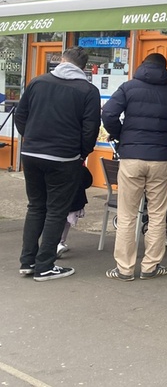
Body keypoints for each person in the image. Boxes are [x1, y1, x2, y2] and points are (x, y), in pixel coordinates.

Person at [102, 53, 167, 281]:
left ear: (143, 66)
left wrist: (121, 134)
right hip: (161, 159)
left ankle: (124, 268)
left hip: (131, 157)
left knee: (127, 215)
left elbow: (109, 113)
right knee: (157, 214)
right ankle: (150, 267)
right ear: (165, 68)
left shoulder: (128, 88)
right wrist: (165, 136)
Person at [16, 47, 101, 281]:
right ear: (83, 67)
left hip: (31, 153)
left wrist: (31, 138)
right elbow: (90, 129)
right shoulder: (88, 91)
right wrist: (81, 153)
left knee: (35, 207)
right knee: (56, 210)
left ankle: (27, 261)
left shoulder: (38, 82)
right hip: (64, 158)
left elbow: (20, 115)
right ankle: (44, 266)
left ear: (62, 61)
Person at [57, 163, 93, 258]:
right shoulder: (80, 168)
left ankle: (58, 243)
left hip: (57, 200)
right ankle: (58, 243)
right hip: (74, 201)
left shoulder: (56, 167)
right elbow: (88, 182)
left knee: (56, 221)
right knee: (66, 223)